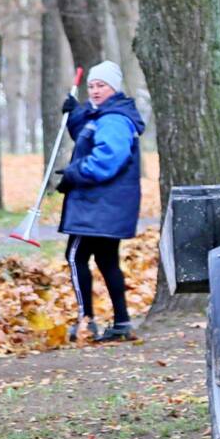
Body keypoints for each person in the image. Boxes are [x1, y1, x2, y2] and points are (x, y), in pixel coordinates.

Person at [57, 60, 147, 344]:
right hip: (102, 205)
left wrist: (74, 173)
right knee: (106, 260)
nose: (95, 91)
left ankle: (86, 320)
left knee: (76, 256)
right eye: (92, 86)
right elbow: (86, 139)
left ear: (114, 87)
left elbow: (106, 160)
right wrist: (75, 114)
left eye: (102, 85)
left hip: (99, 204)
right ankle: (121, 322)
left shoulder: (114, 120)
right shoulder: (103, 115)